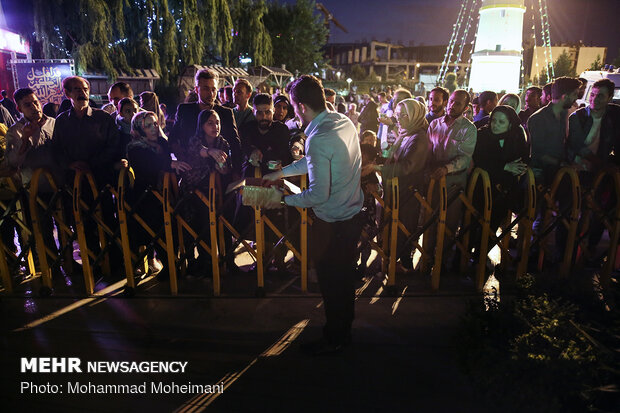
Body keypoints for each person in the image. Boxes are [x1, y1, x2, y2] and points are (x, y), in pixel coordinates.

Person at [263, 75, 364, 355]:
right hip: (352, 214)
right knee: (343, 282)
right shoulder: (343, 121)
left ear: (301, 106)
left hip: (332, 222)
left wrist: (284, 199)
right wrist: (280, 173)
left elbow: (318, 194)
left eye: (294, 106)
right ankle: (342, 333)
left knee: (332, 285)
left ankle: (335, 339)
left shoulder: (318, 137)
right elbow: (316, 163)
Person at [366, 98, 430, 270]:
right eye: (397, 115)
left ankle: (402, 264)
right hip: (394, 190)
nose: (399, 119)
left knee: (404, 228)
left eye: (403, 115)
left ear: (415, 116)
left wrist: (377, 167)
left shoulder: (419, 138)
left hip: (408, 192)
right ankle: (390, 261)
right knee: (391, 226)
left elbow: (407, 167)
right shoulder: (406, 133)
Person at [127, 111, 190, 277]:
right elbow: (148, 166)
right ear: (139, 129)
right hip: (145, 195)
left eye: (155, 123)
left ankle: (175, 261)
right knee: (157, 222)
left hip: (166, 192)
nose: (154, 128)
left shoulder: (162, 142)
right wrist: (170, 164)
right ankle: (166, 264)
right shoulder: (135, 147)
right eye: (147, 126)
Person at [426, 89, 477, 270]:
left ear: (465, 107)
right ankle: (426, 260)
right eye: (451, 101)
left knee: (450, 223)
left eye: (457, 103)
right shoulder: (434, 124)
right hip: (434, 180)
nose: (452, 106)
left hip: (454, 182)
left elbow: (465, 157)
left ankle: (443, 263)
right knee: (430, 221)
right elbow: (428, 151)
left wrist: (446, 168)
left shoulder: (469, 129)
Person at [170, 69, 241, 177]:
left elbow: (235, 144)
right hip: (190, 167)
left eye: (214, 89)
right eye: (206, 89)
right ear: (196, 90)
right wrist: (181, 158)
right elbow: (173, 138)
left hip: (220, 170)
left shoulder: (225, 113)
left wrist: (234, 171)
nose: (211, 94)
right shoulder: (185, 110)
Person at [473, 105, 529, 231]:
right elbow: (480, 160)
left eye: (501, 122)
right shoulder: (482, 135)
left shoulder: (516, 136)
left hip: (506, 190)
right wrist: (504, 166)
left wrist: (520, 167)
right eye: (493, 120)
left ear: (510, 124)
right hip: (482, 189)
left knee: (492, 229)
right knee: (475, 229)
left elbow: (523, 157)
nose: (495, 125)